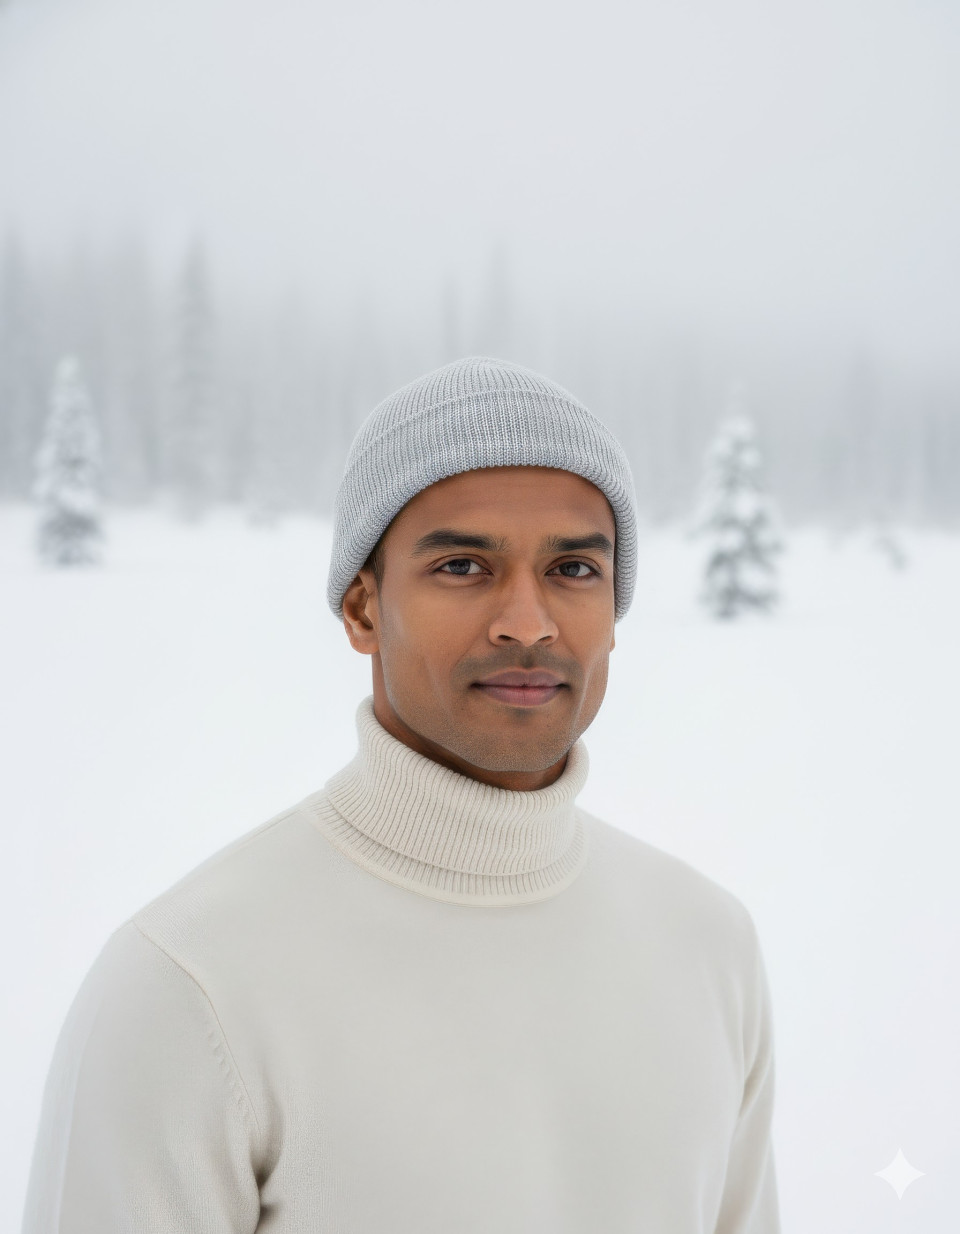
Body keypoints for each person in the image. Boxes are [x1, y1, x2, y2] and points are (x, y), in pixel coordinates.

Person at [23, 355, 781, 1233]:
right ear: (361, 609)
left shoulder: (707, 946)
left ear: (616, 610)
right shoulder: (192, 985)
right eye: (464, 566)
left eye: (573, 570)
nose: (528, 622)